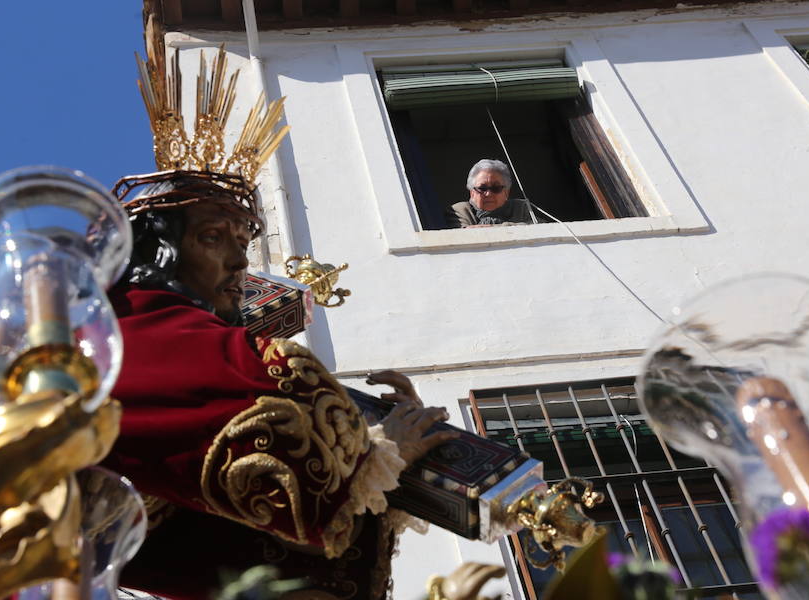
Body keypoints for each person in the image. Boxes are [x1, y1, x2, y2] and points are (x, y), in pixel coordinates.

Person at [104, 170, 458, 600]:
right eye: (214, 237)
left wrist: (378, 441)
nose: (239, 262)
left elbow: (258, 546)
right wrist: (375, 449)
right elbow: (278, 419)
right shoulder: (134, 334)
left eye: (243, 243)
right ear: (157, 251)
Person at [446, 159, 534, 228]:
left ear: (506, 192)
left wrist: (491, 227)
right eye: (482, 188)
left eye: (496, 188)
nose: (488, 194)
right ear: (472, 193)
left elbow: (540, 228)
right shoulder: (460, 210)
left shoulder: (522, 208)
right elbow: (463, 234)